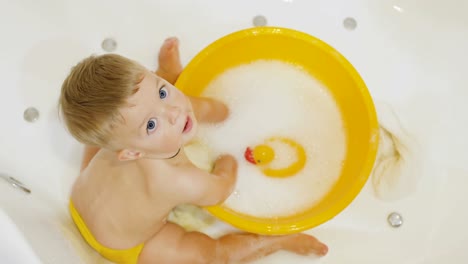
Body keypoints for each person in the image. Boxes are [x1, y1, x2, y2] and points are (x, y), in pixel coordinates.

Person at [59, 37, 328, 264]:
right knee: (211, 255)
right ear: (132, 154)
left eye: (162, 91)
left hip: (82, 196)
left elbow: (207, 110)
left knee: (107, 131)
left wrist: (225, 115)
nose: (174, 112)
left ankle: (165, 75)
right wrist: (228, 160)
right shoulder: (179, 179)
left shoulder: (133, 138)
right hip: (123, 242)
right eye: (151, 125)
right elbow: (221, 189)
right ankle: (275, 242)